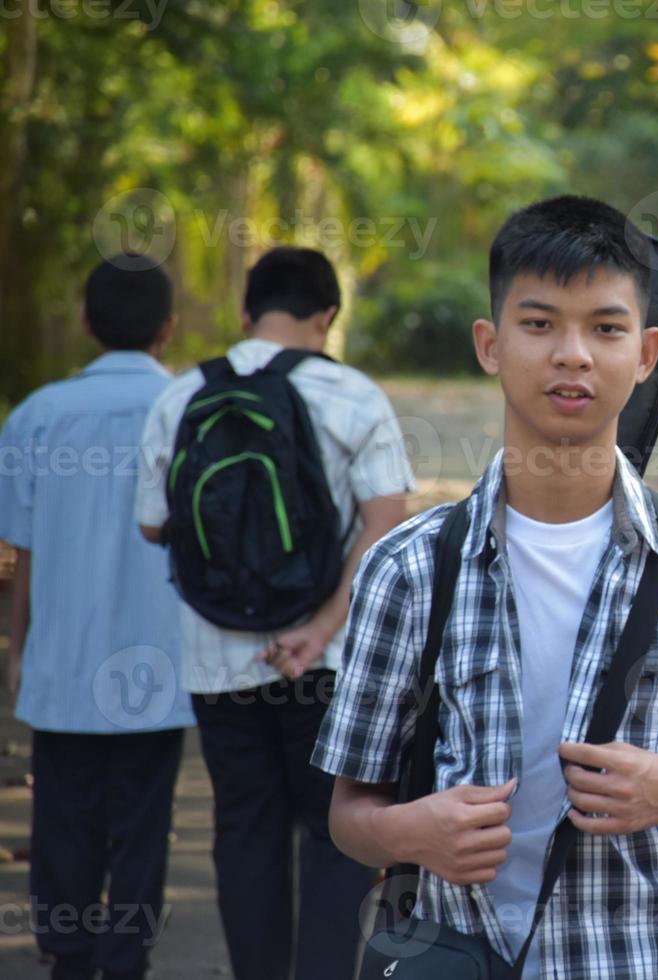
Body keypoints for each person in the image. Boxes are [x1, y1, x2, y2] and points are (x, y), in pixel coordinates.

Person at [312, 196, 658, 979]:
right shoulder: (408, 569)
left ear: (646, 354)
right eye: (539, 323)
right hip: (459, 956)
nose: (572, 354)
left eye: (605, 329)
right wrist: (415, 832)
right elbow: (349, 813)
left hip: (647, 956)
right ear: (490, 344)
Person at [135, 246, 416, 980]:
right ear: (326, 317)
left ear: (245, 314)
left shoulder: (180, 394)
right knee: (337, 834)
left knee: (245, 831)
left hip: (218, 660)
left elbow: (153, 525)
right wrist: (322, 624)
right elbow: (388, 523)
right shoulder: (351, 395)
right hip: (324, 662)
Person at [0, 256, 195, 980]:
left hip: (64, 660)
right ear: (168, 329)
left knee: (63, 819)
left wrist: (17, 649)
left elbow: (19, 556)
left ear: (85, 320)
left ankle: (68, 956)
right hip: (159, 661)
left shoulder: (37, 416)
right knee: (144, 821)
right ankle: (126, 958)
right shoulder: (189, 410)